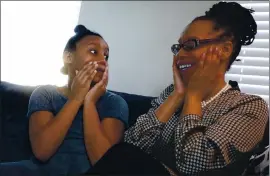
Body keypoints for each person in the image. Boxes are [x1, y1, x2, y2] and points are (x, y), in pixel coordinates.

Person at [85, 2, 269, 176]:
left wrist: (194, 97)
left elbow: (191, 163)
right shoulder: (171, 94)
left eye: (190, 45)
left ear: (225, 49)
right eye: (178, 47)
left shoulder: (249, 107)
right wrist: (177, 96)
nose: (180, 55)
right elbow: (129, 145)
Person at [0, 25, 129, 176]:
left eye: (106, 56)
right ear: (68, 57)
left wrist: (89, 102)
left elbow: (104, 163)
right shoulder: (45, 94)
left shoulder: (115, 103)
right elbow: (42, 152)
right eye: (94, 52)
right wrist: (76, 98)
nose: (103, 60)